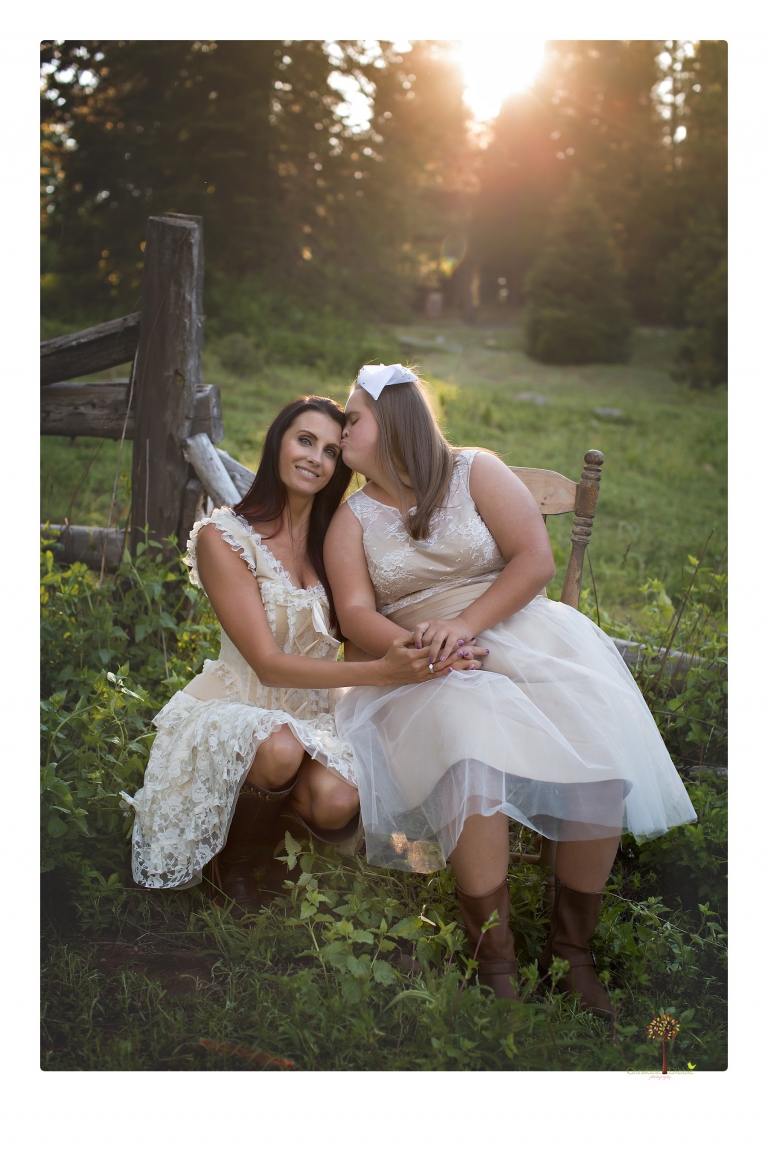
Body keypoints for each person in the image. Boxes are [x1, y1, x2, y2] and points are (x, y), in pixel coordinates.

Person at [324, 364, 698, 1016]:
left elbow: (535, 559)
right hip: (424, 664)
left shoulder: (476, 470)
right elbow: (355, 615)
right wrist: (419, 650)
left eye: (351, 416)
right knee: (472, 750)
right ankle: (492, 959)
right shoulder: (350, 520)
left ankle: (570, 954)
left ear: (393, 420)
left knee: (596, 743)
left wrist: (467, 624)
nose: (339, 428)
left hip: (518, 631)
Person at [122, 395, 486, 914]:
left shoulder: (334, 539)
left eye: (333, 451)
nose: (317, 458)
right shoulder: (224, 538)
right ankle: (238, 869)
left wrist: (441, 644)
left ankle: (269, 826)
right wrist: (381, 672)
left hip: (315, 712)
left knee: (338, 802)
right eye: (305, 441)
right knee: (279, 746)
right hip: (239, 705)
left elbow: (372, 615)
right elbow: (267, 663)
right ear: (278, 444)